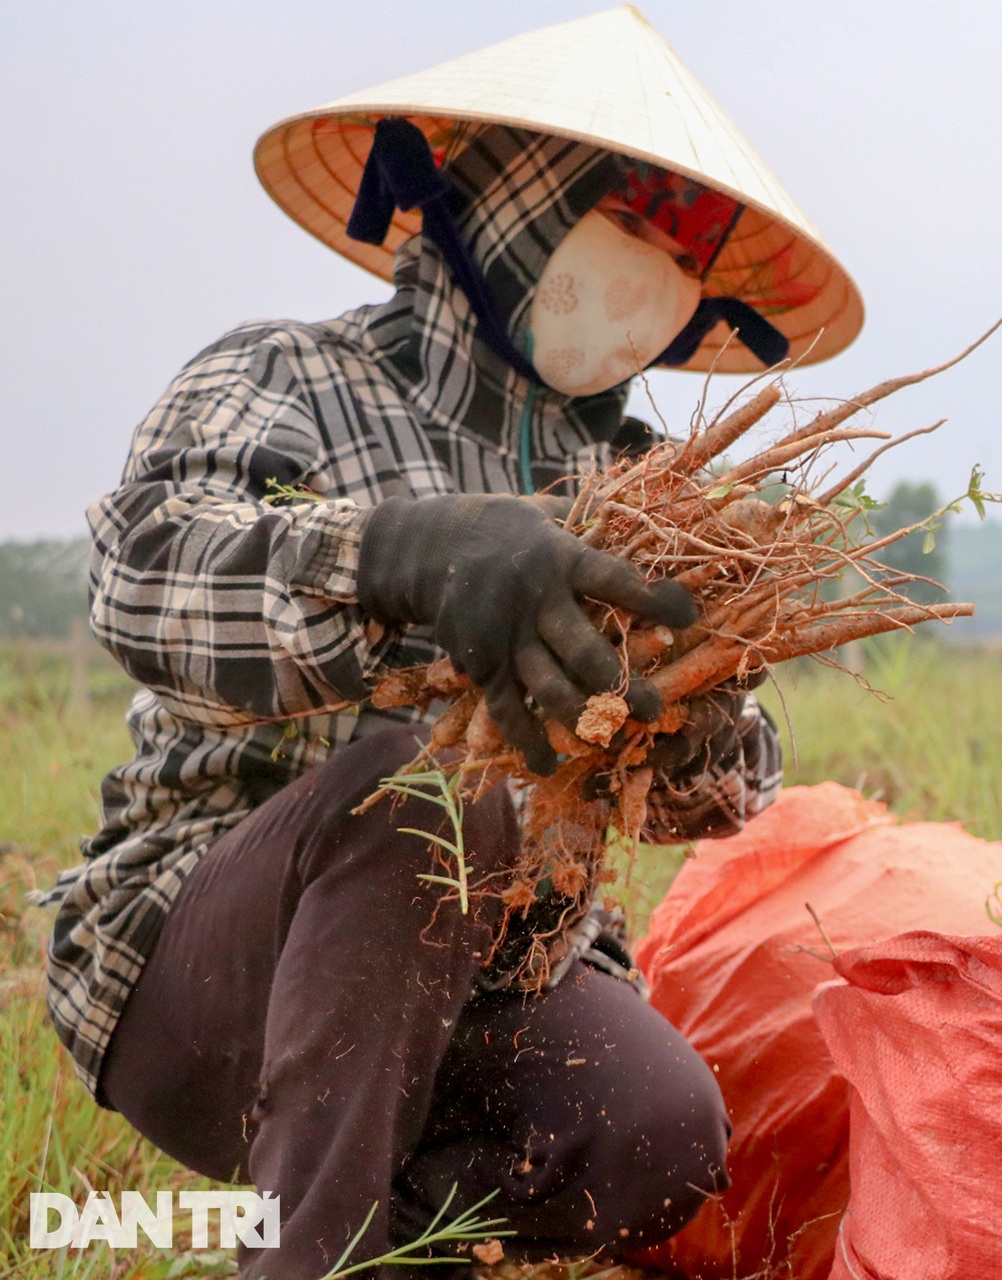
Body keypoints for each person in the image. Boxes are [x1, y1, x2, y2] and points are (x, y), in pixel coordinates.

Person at [36, 10, 865, 1277]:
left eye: (688, 251)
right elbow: (143, 572)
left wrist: (689, 725)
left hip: (487, 970)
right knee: (435, 787)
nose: (654, 271)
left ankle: (366, 1228)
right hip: (208, 962)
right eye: (629, 218)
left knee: (652, 1129)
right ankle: (307, 1257)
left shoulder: (636, 483)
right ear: (507, 201)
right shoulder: (286, 375)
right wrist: (392, 554)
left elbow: (712, 791)